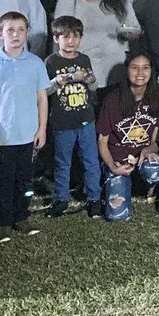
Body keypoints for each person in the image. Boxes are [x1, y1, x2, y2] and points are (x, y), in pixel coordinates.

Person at [0, 11, 50, 241]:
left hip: (28, 135)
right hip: (5, 135)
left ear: (27, 33)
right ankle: (4, 221)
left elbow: (42, 99)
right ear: (0, 34)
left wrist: (42, 129)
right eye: (10, 30)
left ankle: (21, 216)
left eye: (21, 30)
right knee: (4, 180)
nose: (16, 35)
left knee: (25, 179)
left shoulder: (36, 63)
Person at [54, 0, 140, 95]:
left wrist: (129, 33)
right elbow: (61, 32)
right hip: (80, 71)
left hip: (116, 70)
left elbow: (133, 25)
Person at [44, 16, 101, 218]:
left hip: (86, 120)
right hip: (62, 123)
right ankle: (61, 199)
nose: (71, 41)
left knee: (91, 161)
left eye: (75, 36)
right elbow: (45, 91)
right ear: (56, 38)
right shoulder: (51, 61)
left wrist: (89, 79)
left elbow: (92, 85)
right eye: (65, 36)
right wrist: (61, 80)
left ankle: (94, 198)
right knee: (62, 162)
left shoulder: (83, 60)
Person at [96, 53, 159, 220]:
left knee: (153, 170)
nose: (140, 73)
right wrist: (112, 166)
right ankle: (116, 183)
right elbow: (102, 141)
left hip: (142, 158)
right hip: (118, 160)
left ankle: (150, 189)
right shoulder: (112, 100)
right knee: (116, 216)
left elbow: (154, 141)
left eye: (145, 67)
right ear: (126, 70)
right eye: (134, 67)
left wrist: (148, 150)